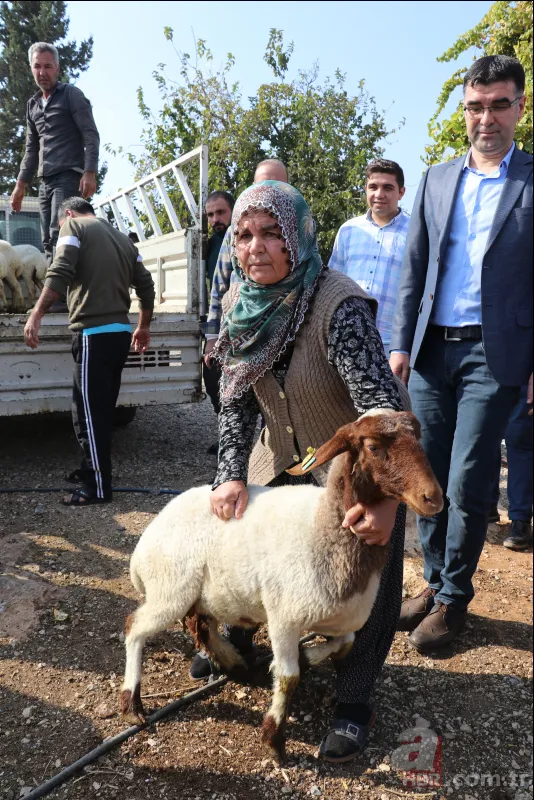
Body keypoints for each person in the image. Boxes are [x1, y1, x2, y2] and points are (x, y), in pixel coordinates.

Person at [194, 180, 411, 764]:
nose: (255, 248)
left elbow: (381, 408)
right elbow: (236, 401)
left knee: (371, 564)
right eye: (243, 235)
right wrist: (231, 474)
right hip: (283, 458)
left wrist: (387, 501)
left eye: (270, 234)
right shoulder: (243, 304)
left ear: (298, 237)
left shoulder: (337, 305)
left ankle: (355, 699)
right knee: (247, 537)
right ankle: (242, 634)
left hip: (352, 469)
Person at [390, 55, 533, 653]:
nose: (486, 117)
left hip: (495, 356)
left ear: (520, 107)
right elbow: (414, 266)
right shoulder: (438, 178)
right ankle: (430, 581)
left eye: (500, 104)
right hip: (431, 352)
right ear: (464, 110)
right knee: (425, 475)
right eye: (476, 106)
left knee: (470, 477)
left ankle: (454, 598)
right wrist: (400, 341)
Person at [24, 197, 155, 506]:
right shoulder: (122, 238)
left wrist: (36, 314)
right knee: (100, 410)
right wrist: (143, 325)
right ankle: (90, 469)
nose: (60, 231)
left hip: (94, 335)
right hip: (121, 333)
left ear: (67, 213)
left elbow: (60, 271)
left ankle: (97, 487)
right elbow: (146, 284)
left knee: (88, 415)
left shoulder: (73, 226)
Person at [10, 42, 100, 265]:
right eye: (37, 66)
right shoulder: (33, 106)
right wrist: (20, 185)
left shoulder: (72, 95)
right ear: (31, 68)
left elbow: (91, 134)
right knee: (47, 240)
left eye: (48, 66)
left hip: (69, 177)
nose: (42, 72)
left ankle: (64, 296)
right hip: (45, 182)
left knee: (60, 233)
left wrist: (89, 172)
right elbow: (31, 149)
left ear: (57, 68)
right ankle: (56, 294)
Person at [203, 159, 289, 364]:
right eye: (262, 184)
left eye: (277, 184)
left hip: (284, 336)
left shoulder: (300, 228)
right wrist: (212, 337)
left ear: (288, 187)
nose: (269, 190)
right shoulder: (236, 228)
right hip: (236, 337)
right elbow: (219, 286)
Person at [329, 159, 410, 350]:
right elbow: (332, 285)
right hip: (346, 340)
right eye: (373, 187)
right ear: (365, 189)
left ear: (401, 192)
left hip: (393, 344)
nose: (379, 194)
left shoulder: (416, 232)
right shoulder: (348, 230)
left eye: (388, 188)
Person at [202, 191, 235, 422]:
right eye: (211, 214)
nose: (216, 219)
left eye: (221, 212)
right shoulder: (207, 246)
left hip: (243, 324)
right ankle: (224, 430)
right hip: (218, 322)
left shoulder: (244, 239)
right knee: (212, 378)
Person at [490, 387, 533, 550]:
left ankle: (520, 519)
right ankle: (486, 506)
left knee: (519, 435)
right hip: (481, 367)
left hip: (522, 369)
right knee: (482, 431)